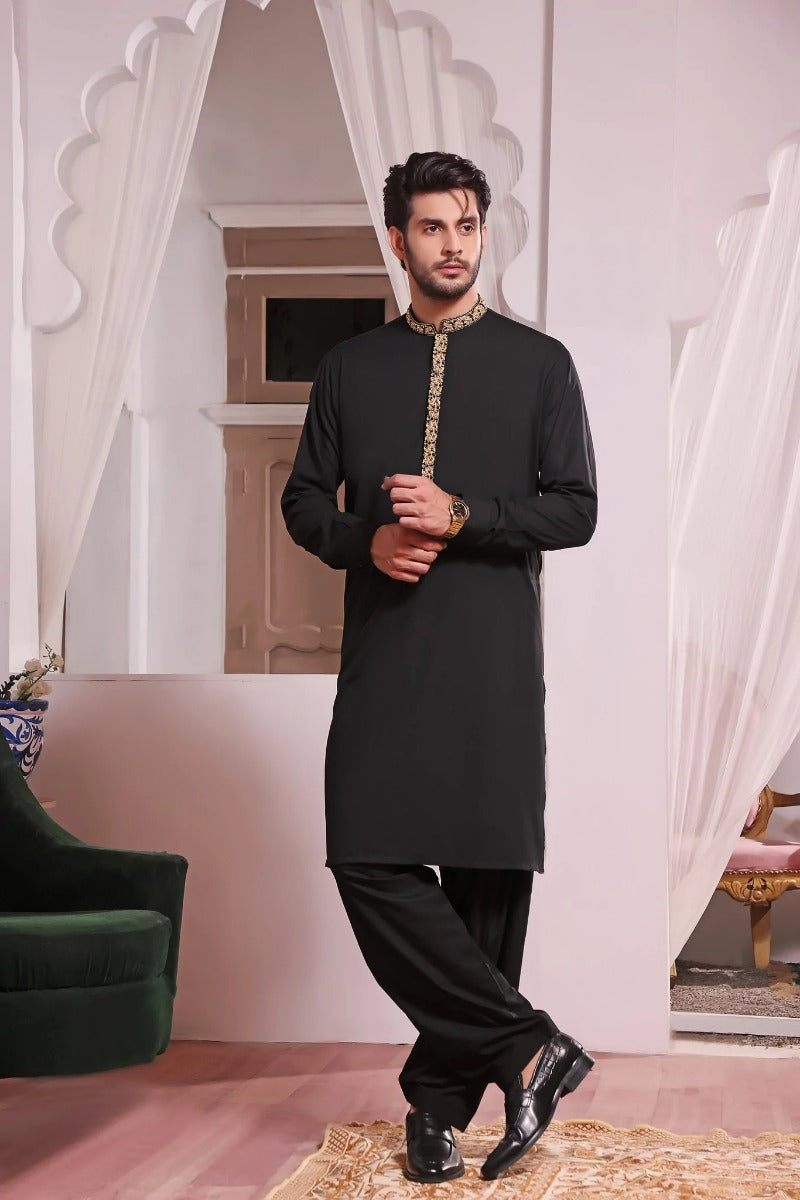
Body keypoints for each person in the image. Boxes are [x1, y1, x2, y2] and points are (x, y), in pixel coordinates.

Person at [281, 150, 598, 1183]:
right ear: (398, 240)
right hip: (387, 651)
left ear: (482, 231)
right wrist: (364, 540)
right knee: (364, 855)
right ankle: (528, 1048)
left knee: (484, 882)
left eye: (466, 224)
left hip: (491, 659)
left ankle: (435, 1111)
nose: (452, 244)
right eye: (430, 227)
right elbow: (302, 502)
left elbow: (575, 510)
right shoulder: (349, 368)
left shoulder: (539, 363)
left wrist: (465, 516)